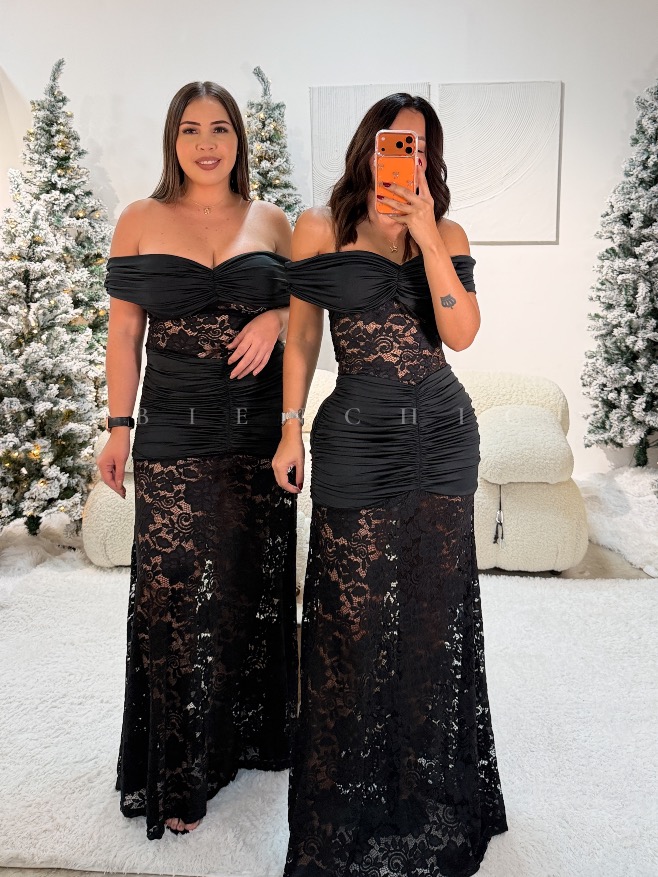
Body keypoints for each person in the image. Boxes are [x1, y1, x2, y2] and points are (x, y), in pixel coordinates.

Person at [273, 93, 507, 876]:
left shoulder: (448, 232)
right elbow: (302, 334)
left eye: (418, 145)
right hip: (355, 435)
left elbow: (461, 332)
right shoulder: (320, 226)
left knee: (434, 617)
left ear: (429, 157)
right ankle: (350, 797)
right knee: (350, 617)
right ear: (367, 148)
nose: (403, 156)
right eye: (391, 142)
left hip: (441, 433)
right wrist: (288, 424)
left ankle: (426, 791)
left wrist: (428, 235)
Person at [97, 81, 297, 840]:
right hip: (172, 430)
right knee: (174, 594)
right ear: (172, 141)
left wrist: (275, 315)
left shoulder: (272, 221)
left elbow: (309, 310)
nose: (206, 143)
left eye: (219, 129)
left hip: (256, 430)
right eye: (190, 129)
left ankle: (244, 740)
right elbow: (124, 334)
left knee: (249, 588)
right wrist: (118, 427)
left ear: (238, 139)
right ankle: (178, 770)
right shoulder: (139, 218)